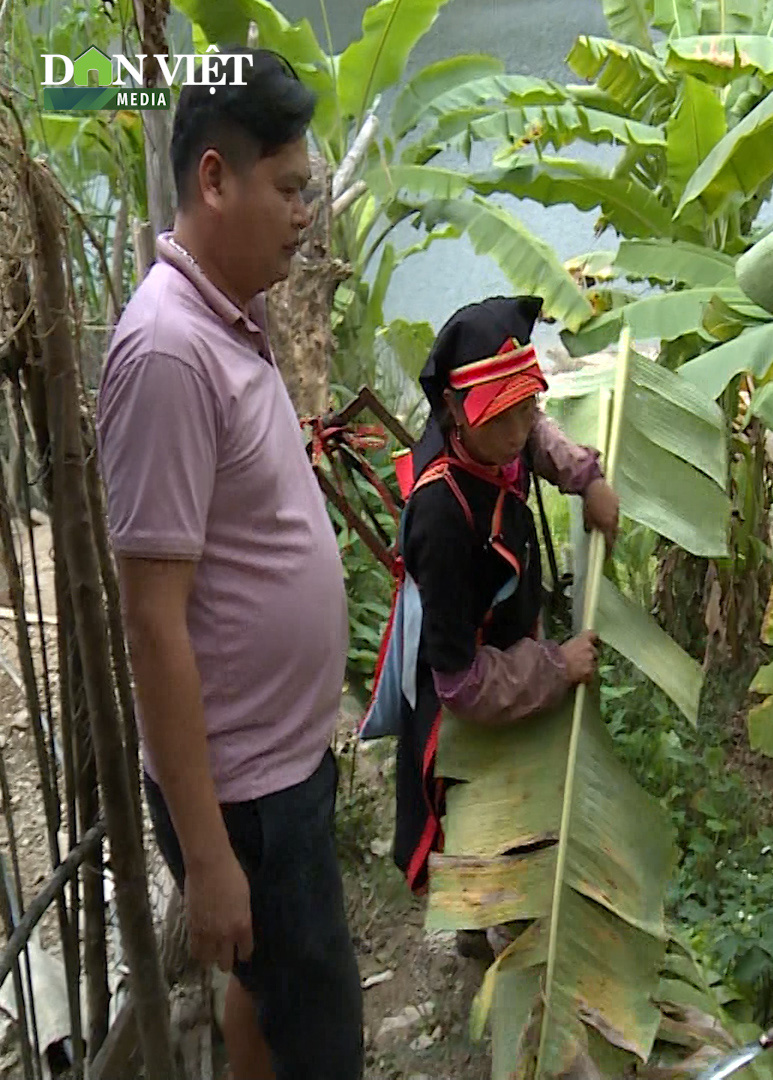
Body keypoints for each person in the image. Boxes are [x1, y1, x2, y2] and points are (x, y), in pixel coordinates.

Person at [96, 48, 362, 1080]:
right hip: (248, 800)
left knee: (268, 1004)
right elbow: (152, 620)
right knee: (323, 1045)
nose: (306, 214)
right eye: (289, 189)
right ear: (216, 179)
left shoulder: (225, 322)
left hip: (279, 773)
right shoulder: (166, 352)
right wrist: (208, 858)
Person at [388, 297, 619, 926]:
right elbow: (460, 682)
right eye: (502, 416)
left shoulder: (496, 436)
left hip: (511, 639)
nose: (518, 431)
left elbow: (534, 432)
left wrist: (585, 478)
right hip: (469, 687)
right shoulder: (442, 514)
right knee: (487, 835)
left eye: (525, 404)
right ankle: (494, 929)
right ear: (455, 416)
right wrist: (554, 666)